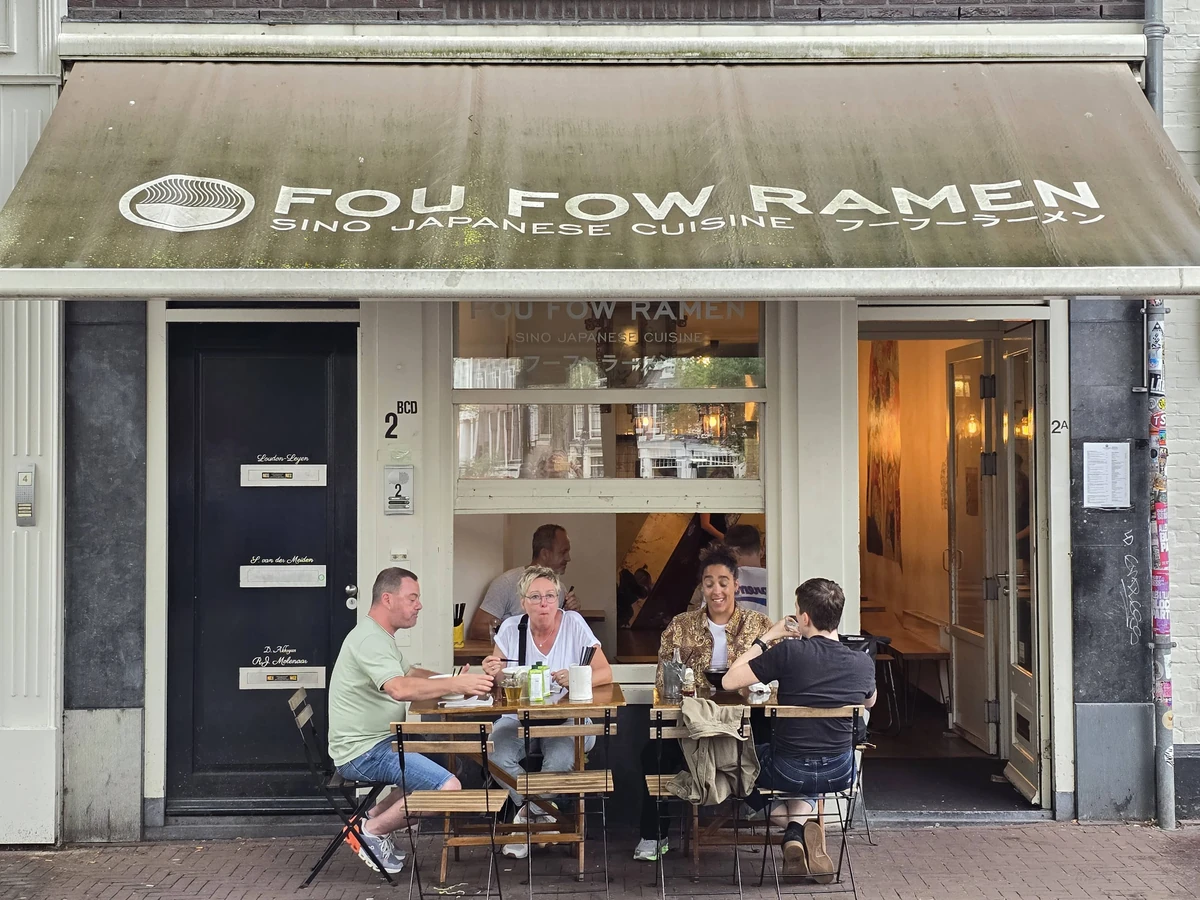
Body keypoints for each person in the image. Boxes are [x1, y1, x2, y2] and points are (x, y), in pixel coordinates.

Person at [327, 567, 494, 874]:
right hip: (364, 751)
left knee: (448, 766)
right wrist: (455, 685)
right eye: (412, 598)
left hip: (380, 741)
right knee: (447, 789)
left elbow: (410, 673)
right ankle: (372, 832)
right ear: (387, 599)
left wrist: (452, 681)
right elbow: (399, 688)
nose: (419, 605)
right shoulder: (369, 640)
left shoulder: (378, 635)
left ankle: (365, 821)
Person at [723, 578, 877, 881]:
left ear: (804, 618)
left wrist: (768, 636)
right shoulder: (861, 662)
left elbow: (729, 681)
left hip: (787, 768)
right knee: (815, 764)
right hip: (841, 770)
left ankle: (792, 830)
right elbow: (870, 702)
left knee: (736, 765)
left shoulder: (789, 652)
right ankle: (798, 830)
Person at [633, 544, 771, 862]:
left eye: (723, 582)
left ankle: (772, 814)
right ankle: (654, 835)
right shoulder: (681, 626)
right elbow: (662, 679)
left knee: (772, 746)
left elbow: (775, 676)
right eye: (709, 583)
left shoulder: (759, 625)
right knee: (652, 755)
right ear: (702, 587)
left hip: (744, 723)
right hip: (692, 723)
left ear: (736, 585)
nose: (716, 590)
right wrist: (684, 688)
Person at [480, 566, 613, 859]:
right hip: (519, 719)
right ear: (523, 602)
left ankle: (524, 821)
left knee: (560, 761)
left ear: (559, 599)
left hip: (568, 719)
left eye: (550, 596)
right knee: (493, 753)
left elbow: (605, 672)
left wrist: (577, 676)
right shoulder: (511, 628)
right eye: (536, 597)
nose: (544, 603)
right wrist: (492, 670)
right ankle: (542, 812)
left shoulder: (574, 623)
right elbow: (498, 678)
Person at [468, 524, 580, 640]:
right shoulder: (507, 583)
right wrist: (522, 631)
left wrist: (571, 613)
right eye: (563, 552)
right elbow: (477, 630)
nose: (568, 558)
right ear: (545, 554)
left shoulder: (561, 589)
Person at [688, 524, 767, 614]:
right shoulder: (775, 579)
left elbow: (700, 617)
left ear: (731, 553)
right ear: (762, 550)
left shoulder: (714, 580)